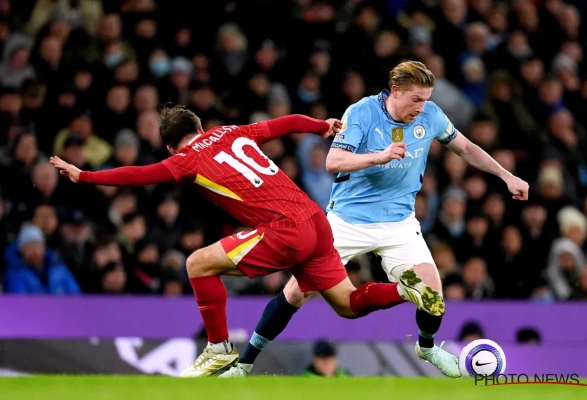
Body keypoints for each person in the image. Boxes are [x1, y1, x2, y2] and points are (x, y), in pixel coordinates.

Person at [222, 61, 529, 379]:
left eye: (426, 99)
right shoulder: (362, 112)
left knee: (433, 298)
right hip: (347, 222)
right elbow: (333, 161)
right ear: (395, 91)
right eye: (415, 99)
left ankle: (426, 347)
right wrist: (379, 156)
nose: (421, 107)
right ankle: (244, 364)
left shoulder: (431, 116)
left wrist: (506, 176)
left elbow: (465, 148)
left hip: (399, 224)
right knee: (297, 292)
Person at [50, 107, 407, 377]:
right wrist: (319, 126)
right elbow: (284, 123)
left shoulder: (185, 159)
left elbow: (140, 175)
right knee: (347, 304)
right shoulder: (231, 132)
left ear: (171, 146)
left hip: (284, 228)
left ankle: (219, 347)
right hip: (315, 218)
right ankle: (406, 290)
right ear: (200, 127)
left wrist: (86, 175)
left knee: (197, 264)